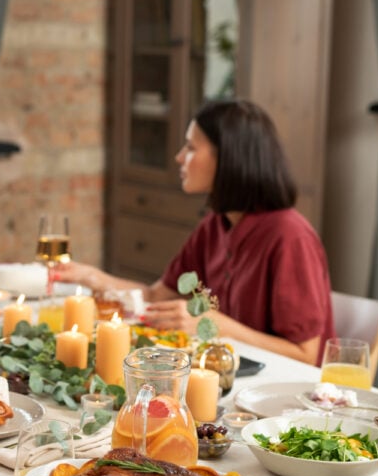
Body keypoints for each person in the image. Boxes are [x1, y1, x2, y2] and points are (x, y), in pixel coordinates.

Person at [56, 99, 335, 365]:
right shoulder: (215, 225)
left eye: (190, 148)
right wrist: (89, 277)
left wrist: (216, 325)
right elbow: (156, 297)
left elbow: (305, 354)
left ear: (228, 158)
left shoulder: (290, 236)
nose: (179, 157)